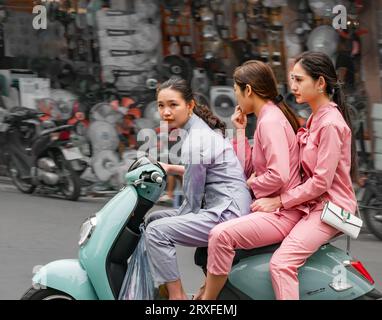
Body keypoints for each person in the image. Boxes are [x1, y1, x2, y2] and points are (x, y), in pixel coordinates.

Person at [247, 51, 357, 300]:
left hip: (329, 208)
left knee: (281, 263)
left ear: (320, 83)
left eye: (299, 80)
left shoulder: (330, 124)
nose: (293, 86)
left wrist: (279, 201)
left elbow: (321, 182)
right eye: (292, 80)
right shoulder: (315, 117)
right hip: (312, 204)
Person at [195, 60, 304, 300]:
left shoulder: (271, 121)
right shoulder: (265, 119)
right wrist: (241, 131)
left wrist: (251, 184)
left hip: (281, 213)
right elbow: (246, 168)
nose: (236, 98)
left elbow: (278, 175)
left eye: (236, 91)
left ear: (249, 90)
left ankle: (208, 300)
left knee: (220, 235)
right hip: (270, 207)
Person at [144, 78, 252, 300]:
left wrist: (173, 220)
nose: (166, 112)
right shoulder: (198, 132)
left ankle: (177, 297)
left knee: (156, 231)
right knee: (152, 221)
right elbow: (207, 173)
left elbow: (192, 200)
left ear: (190, 105)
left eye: (173, 105)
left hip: (226, 213)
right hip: (224, 205)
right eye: (161, 105)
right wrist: (169, 168)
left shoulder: (196, 140)